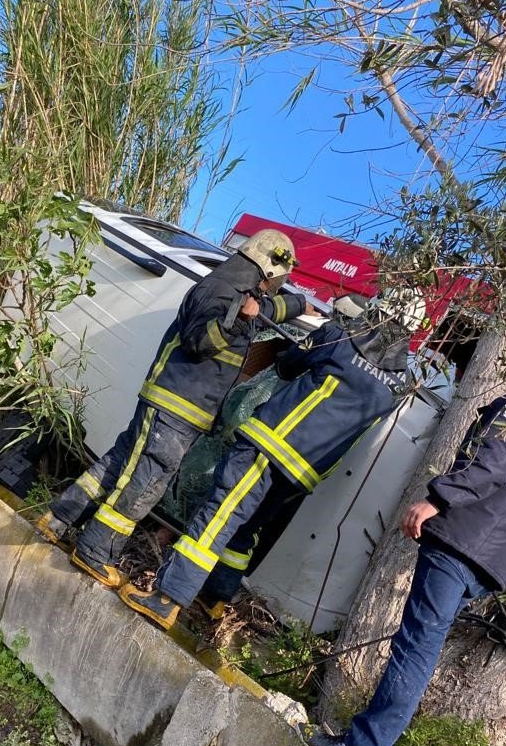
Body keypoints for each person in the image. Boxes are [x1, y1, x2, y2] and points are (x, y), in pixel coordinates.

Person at [119, 290, 426, 627]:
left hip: (270, 444)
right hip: (305, 473)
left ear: (379, 311)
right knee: (246, 530)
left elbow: (287, 364)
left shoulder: (339, 338)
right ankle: (214, 600)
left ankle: (167, 598)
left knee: (217, 517)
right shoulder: (401, 383)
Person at [303, 368, 506, 746]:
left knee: (417, 644)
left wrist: (438, 498)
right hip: (497, 557)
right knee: (422, 642)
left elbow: (493, 461)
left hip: (464, 537)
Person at [35, 230, 312, 587]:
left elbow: (264, 311)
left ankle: (58, 518)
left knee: (119, 464)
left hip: (173, 406)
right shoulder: (221, 292)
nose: (275, 288)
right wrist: (241, 321)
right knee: (145, 481)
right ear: (268, 270)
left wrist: (299, 305)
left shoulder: (239, 294)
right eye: (278, 280)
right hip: (175, 409)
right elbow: (199, 342)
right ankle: (95, 550)